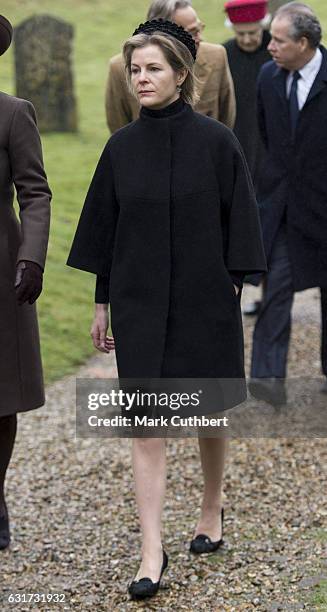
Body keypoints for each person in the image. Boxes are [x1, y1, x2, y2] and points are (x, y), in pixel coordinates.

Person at [67, 19, 266, 600]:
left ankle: (211, 508)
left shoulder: (217, 142)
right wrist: (102, 302)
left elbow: (242, 221)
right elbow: (107, 232)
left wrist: (232, 284)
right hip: (139, 302)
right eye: (135, 70)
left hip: (206, 298)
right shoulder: (120, 148)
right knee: (147, 425)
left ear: (182, 74)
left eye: (153, 68)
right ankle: (151, 549)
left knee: (208, 411)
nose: (141, 78)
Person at [248, 2, 327, 405]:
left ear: (303, 42)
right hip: (282, 206)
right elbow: (267, 136)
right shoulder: (267, 77)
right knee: (276, 286)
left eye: (278, 40)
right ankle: (265, 379)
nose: (270, 46)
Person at [0, 15, 51, 549]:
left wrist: (30, 258)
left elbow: (34, 193)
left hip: (1, 268)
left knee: (1, 396)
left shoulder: (13, 114)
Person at [105, 0, 236, 133]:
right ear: (164, 35)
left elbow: (227, 118)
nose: (199, 38)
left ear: (182, 74)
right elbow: (119, 128)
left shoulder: (216, 56)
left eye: (199, 29)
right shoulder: (120, 68)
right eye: (192, 32)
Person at [223, 0, 271, 318]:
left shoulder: (276, 50)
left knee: (268, 219)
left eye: (253, 33)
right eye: (242, 34)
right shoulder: (224, 54)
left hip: (269, 146)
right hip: (237, 140)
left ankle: (270, 293)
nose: (248, 40)